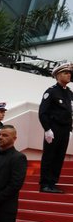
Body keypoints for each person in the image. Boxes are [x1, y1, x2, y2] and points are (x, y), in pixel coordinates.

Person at [38, 63, 72, 194]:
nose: (68, 75)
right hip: (53, 128)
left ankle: (52, 183)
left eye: (69, 73)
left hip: (65, 129)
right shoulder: (51, 91)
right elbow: (42, 112)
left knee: (59, 156)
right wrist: (47, 129)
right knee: (49, 155)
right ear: (58, 76)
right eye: (65, 73)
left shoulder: (69, 93)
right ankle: (44, 184)